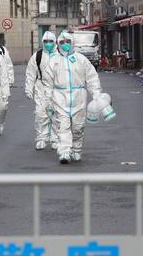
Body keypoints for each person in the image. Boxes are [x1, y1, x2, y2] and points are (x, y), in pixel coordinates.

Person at [44, 30, 102, 164]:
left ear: (72, 43)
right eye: (62, 42)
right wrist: (48, 101)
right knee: (62, 126)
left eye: (68, 42)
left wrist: (96, 94)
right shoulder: (54, 61)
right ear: (58, 44)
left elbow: (92, 78)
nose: (65, 45)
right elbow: (48, 83)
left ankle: (76, 149)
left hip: (78, 98)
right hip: (60, 98)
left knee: (78, 127)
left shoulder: (81, 59)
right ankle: (64, 151)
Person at [24, 31, 59, 150]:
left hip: (57, 88)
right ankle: (41, 138)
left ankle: (55, 138)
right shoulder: (37, 56)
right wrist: (29, 89)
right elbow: (30, 73)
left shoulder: (60, 55)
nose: (48, 44)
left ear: (55, 42)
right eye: (46, 41)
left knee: (56, 114)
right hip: (41, 87)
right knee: (40, 114)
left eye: (51, 41)